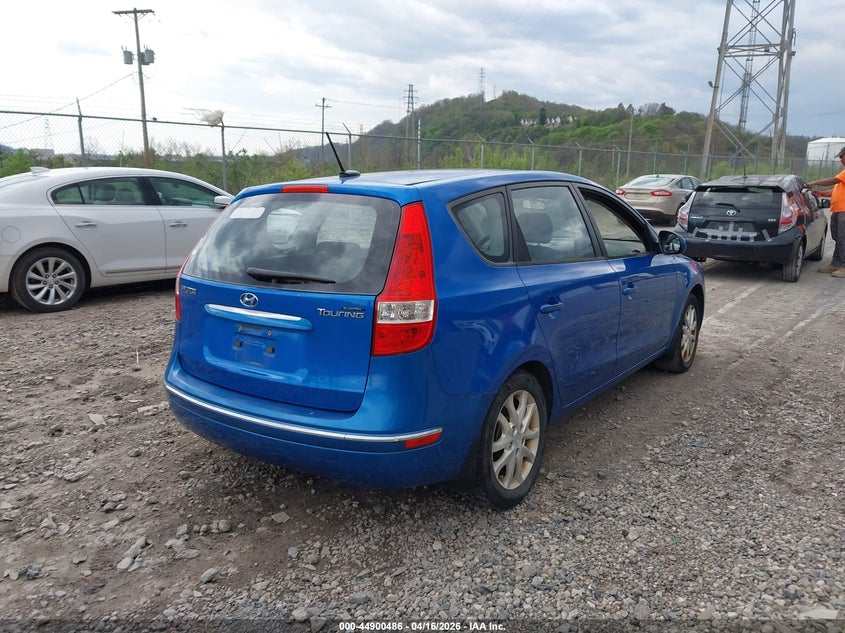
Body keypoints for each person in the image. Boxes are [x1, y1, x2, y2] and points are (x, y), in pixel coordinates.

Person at [809, 146, 845, 277]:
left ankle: (843, 265)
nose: (840, 159)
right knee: (838, 238)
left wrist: (815, 182)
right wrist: (822, 193)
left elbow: (834, 180)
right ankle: (837, 262)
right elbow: (837, 189)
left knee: (843, 238)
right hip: (838, 210)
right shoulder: (843, 173)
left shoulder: (842, 175)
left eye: (842, 156)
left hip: (844, 211)